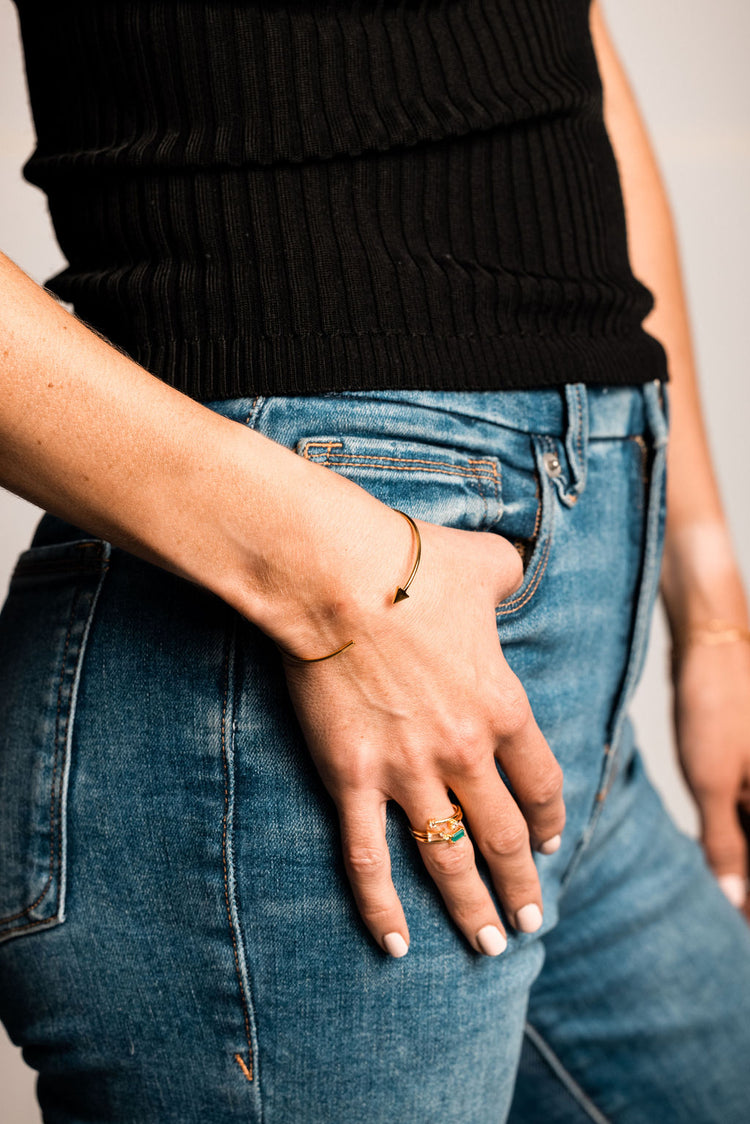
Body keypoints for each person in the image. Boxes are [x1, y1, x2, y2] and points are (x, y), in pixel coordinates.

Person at [0, 1, 749, 1120]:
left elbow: (563, 44)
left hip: (538, 644)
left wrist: (713, 613)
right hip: (293, 663)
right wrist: (345, 585)